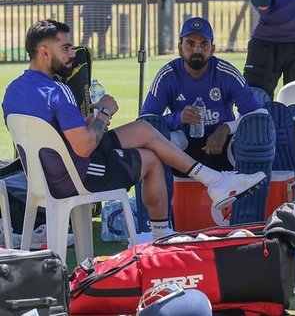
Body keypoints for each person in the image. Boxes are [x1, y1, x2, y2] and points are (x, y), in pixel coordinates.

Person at [2, 19, 266, 240]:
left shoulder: (13, 90)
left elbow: (56, 133)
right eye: (66, 48)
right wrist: (104, 114)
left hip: (45, 173)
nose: (73, 54)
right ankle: (163, 232)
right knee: (150, 160)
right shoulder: (58, 91)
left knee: (143, 129)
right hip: (76, 172)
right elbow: (84, 146)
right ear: (44, 53)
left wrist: (90, 121)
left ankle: (213, 183)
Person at [140, 17, 270, 172]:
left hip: (222, 145)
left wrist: (224, 129)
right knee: (148, 143)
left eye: (203, 44)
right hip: (181, 146)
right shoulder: (168, 75)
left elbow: (259, 114)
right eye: (190, 44)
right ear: (180, 48)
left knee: (258, 130)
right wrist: (178, 118)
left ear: (212, 49)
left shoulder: (226, 73)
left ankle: (251, 193)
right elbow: (145, 123)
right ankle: (162, 196)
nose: (197, 50)